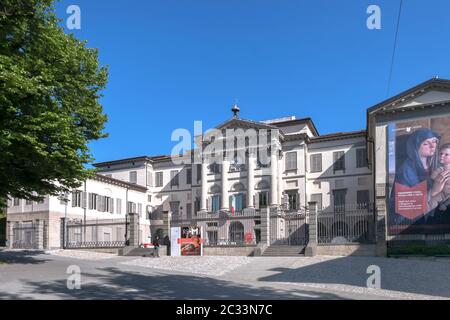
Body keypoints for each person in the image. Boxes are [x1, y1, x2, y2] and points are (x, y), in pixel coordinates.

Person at [390, 128, 440, 225]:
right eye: (426, 143)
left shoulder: (435, 164)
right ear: (415, 147)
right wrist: (434, 191)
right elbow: (409, 200)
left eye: (434, 141)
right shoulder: (406, 170)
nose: (432, 146)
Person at [430, 143, 450, 210]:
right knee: (432, 201)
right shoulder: (438, 170)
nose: (442, 156)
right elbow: (431, 181)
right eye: (441, 153)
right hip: (441, 194)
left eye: (446, 154)